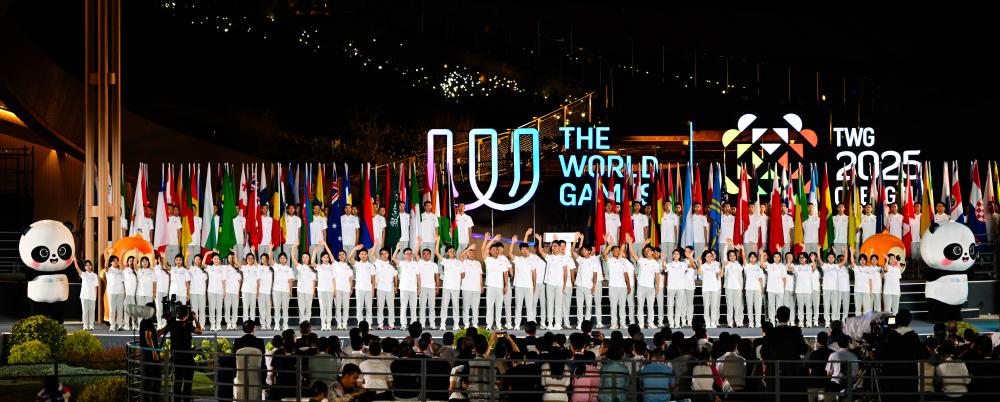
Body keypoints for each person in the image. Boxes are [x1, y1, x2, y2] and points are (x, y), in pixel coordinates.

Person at [158, 304, 203, 401]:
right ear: (186, 315)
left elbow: (158, 333)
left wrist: (168, 324)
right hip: (187, 358)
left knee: (177, 381)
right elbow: (200, 331)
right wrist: (195, 319)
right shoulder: (187, 325)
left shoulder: (173, 324)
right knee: (188, 382)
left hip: (177, 357)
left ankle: (177, 400)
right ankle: (186, 399)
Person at [540, 233, 571, 330]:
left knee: (558, 304)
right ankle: (550, 323)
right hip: (550, 283)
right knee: (550, 303)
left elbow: (565, 272)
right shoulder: (549, 257)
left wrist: (564, 284)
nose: (554, 247)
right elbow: (540, 251)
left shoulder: (564, 258)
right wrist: (540, 240)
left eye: (555, 246)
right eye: (552, 246)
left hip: (559, 284)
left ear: (559, 247)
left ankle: (557, 323)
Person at [482, 233, 509, 331]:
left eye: (497, 250)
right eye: (493, 250)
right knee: (489, 306)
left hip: (500, 287)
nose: (496, 251)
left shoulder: (502, 261)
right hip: (490, 286)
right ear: (490, 251)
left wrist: (506, 285)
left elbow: (505, 274)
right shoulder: (488, 259)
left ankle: (498, 324)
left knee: (499, 306)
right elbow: (484, 249)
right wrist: (492, 239)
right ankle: (489, 324)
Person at [572, 235, 600, 329]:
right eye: (582, 250)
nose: (583, 252)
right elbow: (572, 250)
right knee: (579, 306)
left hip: (589, 287)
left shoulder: (594, 261)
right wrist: (575, 240)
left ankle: (587, 323)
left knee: (588, 306)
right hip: (579, 286)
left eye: (585, 250)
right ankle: (579, 323)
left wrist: (594, 286)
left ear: (589, 251)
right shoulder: (581, 260)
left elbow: (595, 275)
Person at [602, 239, 630, 330]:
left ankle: (622, 323)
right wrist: (610, 245)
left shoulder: (623, 261)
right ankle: (614, 323)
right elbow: (604, 254)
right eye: (616, 250)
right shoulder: (610, 260)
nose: (618, 252)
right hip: (613, 287)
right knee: (613, 306)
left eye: (619, 250)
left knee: (622, 306)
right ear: (612, 252)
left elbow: (626, 275)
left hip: (623, 287)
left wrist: (628, 286)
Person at [138, 302, 162, 402]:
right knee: (155, 379)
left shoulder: (145, 321)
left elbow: (154, 334)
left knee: (147, 380)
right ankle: (154, 398)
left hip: (146, 355)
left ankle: (147, 398)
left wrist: (166, 328)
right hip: (149, 356)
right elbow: (148, 337)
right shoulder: (148, 322)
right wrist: (154, 353)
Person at [438, 245, 464, 330]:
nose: (452, 252)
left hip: (456, 287)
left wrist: (456, 280)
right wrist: (437, 241)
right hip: (446, 287)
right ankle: (442, 324)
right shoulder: (445, 261)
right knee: (444, 306)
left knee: (456, 306)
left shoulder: (459, 262)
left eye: (453, 251)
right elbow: (437, 253)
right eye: (450, 251)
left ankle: (456, 325)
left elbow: (463, 274)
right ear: (447, 253)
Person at [395, 246, 420, 327]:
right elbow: (393, 258)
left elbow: (418, 277)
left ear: (412, 255)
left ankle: (413, 324)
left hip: (413, 289)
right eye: (407, 254)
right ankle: (403, 324)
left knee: (413, 307)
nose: (409, 255)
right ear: (404, 255)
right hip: (404, 288)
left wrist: (419, 288)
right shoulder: (402, 263)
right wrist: (397, 249)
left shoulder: (416, 264)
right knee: (403, 306)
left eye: (410, 253)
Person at [417, 247, 441, 329]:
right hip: (422, 287)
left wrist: (437, 287)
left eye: (427, 254)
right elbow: (418, 276)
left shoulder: (434, 265)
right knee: (422, 307)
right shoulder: (419, 263)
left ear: (430, 255)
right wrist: (419, 288)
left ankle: (432, 324)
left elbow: (437, 276)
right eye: (423, 254)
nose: (425, 255)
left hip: (432, 287)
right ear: (422, 255)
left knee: (432, 307)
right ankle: (422, 324)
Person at [461, 245, 483, 327]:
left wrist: (481, 286)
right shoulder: (464, 262)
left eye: (473, 253)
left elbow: (480, 275)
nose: (472, 254)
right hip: (466, 288)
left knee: (475, 308)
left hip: (476, 289)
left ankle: (475, 323)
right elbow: (461, 256)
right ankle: (466, 323)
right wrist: (469, 248)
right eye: (469, 252)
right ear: (467, 254)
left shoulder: (478, 263)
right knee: (466, 307)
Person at [102, 251, 125, 331]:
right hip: (111, 292)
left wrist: (124, 292)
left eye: (117, 261)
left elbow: (123, 282)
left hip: (120, 292)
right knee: (112, 310)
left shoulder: (120, 271)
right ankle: (112, 325)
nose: (116, 262)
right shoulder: (108, 270)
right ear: (111, 262)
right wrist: (109, 256)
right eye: (114, 261)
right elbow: (105, 266)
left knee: (120, 309)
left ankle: (119, 325)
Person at [73, 260, 99, 331]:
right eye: (87, 265)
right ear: (85, 267)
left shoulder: (95, 275)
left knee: (91, 312)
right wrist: (75, 261)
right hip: (84, 296)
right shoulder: (83, 274)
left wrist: (95, 296)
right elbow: (77, 268)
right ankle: (85, 326)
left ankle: (91, 325)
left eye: (89, 265)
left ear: (91, 266)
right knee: (85, 312)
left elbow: (96, 286)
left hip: (92, 296)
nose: (88, 266)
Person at [272, 253, 296, 330]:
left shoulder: (289, 269)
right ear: (279, 259)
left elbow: (290, 281)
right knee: (277, 308)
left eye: (284, 258)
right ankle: (277, 325)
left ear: (286, 259)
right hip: (276, 290)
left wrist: (290, 291)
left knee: (285, 309)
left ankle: (285, 325)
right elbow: (270, 259)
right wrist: (270, 249)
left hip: (286, 291)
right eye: (281, 258)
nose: (282, 259)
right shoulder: (276, 266)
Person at [699, 250, 722, 328]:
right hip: (706, 288)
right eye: (707, 256)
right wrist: (700, 263)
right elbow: (699, 273)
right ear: (705, 257)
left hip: (714, 288)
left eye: (710, 256)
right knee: (706, 306)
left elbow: (719, 275)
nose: (709, 258)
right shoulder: (703, 265)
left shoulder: (715, 265)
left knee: (714, 306)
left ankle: (713, 322)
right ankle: (707, 322)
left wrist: (722, 269)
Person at [333, 249, 355, 329]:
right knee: (338, 307)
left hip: (346, 289)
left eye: (343, 254)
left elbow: (350, 279)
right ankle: (339, 323)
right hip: (338, 289)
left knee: (346, 307)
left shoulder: (349, 266)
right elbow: (333, 278)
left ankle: (345, 323)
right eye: (340, 255)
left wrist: (351, 289)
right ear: (338, 256)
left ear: (345, 256)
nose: (341, 256)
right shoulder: (336, 264)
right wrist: (334, 290)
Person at [316, 246, 336, 331]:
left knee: (329, 308)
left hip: (330, 290)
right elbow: (312, 262)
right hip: (321, 290)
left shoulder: (332, 267)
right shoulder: (319, 267)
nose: (326, 259)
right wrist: (315, 251)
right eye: (324, 257)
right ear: (321, 258)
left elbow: (334, 279)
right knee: (323, 308)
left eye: (327, 257)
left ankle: (328, 324)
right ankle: (323, 324)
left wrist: (334, 290)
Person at [723, 249, 744, 328]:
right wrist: (727, 246)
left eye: (733, 255)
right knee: (729, 305)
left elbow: (740, 277)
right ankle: (730, 322)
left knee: (737, 306)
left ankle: (738, 322)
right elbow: (724, 256)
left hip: (737, 288)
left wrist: (741, 288)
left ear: (736, 256)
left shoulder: (738, 265)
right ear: (728, 257)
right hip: (729, 287)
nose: (732, 257)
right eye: (730, 255)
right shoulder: (727, 264)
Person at [743, 251, 764, 328]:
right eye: (751, 257)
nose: (752, 258)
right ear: (749, 258)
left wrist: (761, 289)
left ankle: (758, 322)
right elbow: (744, 259)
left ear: (756, 258)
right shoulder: (747, 266)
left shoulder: (759, 267)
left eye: (754, 257)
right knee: (749, 306)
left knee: (758, 307)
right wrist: (743, 250)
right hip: (749, 288)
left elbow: (761, 279)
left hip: (757, 289)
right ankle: (751, 322)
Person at [296, 252, 318, 326]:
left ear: (309, 258)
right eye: (303, 257)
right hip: (300, 290)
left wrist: (313, 291)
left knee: (308, 308)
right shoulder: (300, 267)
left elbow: (314, 281)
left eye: (306, 257)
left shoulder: (312, 268)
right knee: (301, 308)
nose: (305, 259)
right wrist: (293, 248)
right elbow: (293, 258)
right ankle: (302, 322)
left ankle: (307, 322)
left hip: (309, 291)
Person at [793, 253, 815, 327]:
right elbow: (789, 269)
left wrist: (813, 260)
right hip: (799, 290)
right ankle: (801, 322)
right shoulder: (796, 267)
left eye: (803, 257)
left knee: (809, 307)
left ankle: (809, 322)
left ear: (806, 259)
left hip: (808, 290)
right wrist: (789, 261)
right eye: (800, 257)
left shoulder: (809, 266)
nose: (801, 259)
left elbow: (814, 268)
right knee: (800, 307)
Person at [223, 254, 242, 330]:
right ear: (228, 259)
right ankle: (228, 323)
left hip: (235, 291)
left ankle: (234, 323)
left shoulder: (238, 268)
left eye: (232, 258)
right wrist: (224, 291)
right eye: (230, 258)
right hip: (227, 291)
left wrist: (238, 291)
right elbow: (224, 280)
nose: (231, 259)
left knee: (235, 308)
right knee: (227, 308)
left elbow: (240, 281)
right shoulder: (225, 268)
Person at [765, 251, 785, 323]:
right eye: (775, 257)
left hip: (780, 289)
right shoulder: (769, 265)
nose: (777, 258)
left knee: (779, 307)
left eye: (778, 257)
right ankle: (772, 321)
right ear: (773, 258)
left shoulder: (783, 266)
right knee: (771, 306)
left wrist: (783, 289)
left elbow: (784, 278)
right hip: (771, 289)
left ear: (780, 258)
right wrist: (761, 254)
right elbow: (762, 265)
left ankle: (779, 321)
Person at [153, 255, 172, 327]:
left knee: (166, 309)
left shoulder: (168, 268)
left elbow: (171, 280)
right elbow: (153, 282)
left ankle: (164, 323)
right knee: (159, 309)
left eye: (163, 258)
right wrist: (154, 292)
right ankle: (159, 323)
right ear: (158, 259)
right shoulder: (155, 268)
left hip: (166, 291)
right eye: (160, 258)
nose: (161, 260)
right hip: (158, 291)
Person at [122, 257, 138, 330]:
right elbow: (122, 283)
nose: (131, 262)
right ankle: (126, 325)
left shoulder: (138, 271)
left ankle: (134, 325)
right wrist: (124, 292)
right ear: (128, 262)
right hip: (127, 293)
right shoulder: (124, 271)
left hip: (135, 294)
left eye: (133, 261)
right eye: (130, 261)